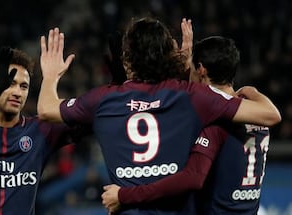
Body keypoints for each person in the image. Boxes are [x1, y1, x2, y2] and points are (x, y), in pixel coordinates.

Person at [37, 17, 281, 214]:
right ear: (166, 56)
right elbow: (268, 115)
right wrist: (249, 90)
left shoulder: (102, 99)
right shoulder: (190, 96)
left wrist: (50, 75)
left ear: (127, 59)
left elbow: (46, 110)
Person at [101, 36, 273, 215]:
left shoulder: (216, 121)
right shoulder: (256, 115)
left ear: (201, 70)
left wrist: (124, 196)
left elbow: (192, 178)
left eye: (191, 69)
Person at [0, 47, 82, 215]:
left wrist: (51, 79)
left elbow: (89, 119)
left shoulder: (40, 130)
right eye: (10, 83)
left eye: (24, 86)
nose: (18, 92)